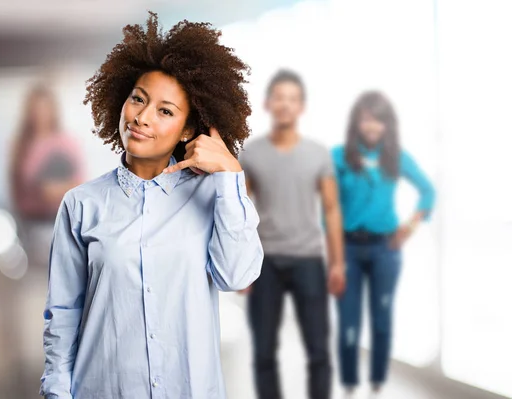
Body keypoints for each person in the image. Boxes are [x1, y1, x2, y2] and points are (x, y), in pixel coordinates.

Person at [39, 12, 263, 399]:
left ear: (188, 130)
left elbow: (238, 276)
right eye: (138, 100)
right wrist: (56, 392)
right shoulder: (80, 205)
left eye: (165, 111)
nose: (141, 117)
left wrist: (230, 173)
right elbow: (62, 313)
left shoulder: (213, 195)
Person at [239, 70, 346, 399]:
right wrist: (241, 266)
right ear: (268, 103)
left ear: (302, 106)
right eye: (279, 98)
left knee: (319, 352)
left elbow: (331, 209)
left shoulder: (318, 153)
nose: (285, 104)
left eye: (292, 99)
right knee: (263, 353)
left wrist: (338, 264)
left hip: (308, 260)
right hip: (264, 263)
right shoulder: (251, 153)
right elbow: (240, 212)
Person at [332, 91, 436, 399]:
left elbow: (428, 191)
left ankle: (377, 383)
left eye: (378, 120)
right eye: (366, 119)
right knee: (349, 322)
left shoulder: (397, 157)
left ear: (387, 123)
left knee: (381, 318)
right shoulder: (339, 156)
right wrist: (335, 256)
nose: (372, 126)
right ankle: (349, 384)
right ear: (357, 121)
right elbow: (331, 208)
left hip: (384, 250)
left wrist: (410, 226)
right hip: (349, 248)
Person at [10, 85, 85, 222]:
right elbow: (15, 187)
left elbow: (80, 183)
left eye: (44, 108)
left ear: (53, 111)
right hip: (28, 220)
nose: (40, 114)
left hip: (59, 218)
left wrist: (55, 190)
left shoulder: (65, 143)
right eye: (36, 109)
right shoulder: (22, 145)